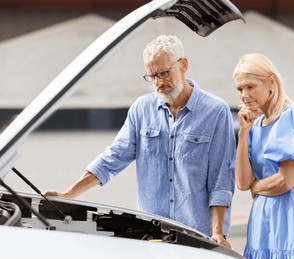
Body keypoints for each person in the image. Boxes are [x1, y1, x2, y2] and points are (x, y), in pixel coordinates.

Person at [44, 35, 236, 248]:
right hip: (152, 233)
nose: (159, 82)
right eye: (152, 76)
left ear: (183, 64)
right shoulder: (141, 109)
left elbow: (221, 178)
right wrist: (68, 194)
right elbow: (114, 156)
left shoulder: (216, 111)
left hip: (198, 233)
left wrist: (217, 233)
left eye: (164, 73)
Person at [233, 53, 294, 259]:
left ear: (271, 82)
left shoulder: (292, 117)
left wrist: (256, 187)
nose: (244, 95)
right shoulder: (255, 126)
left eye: (250, 87)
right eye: (240, 89)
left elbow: (286, 180)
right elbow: (242, 183)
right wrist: (243, 132)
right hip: (263, 222)